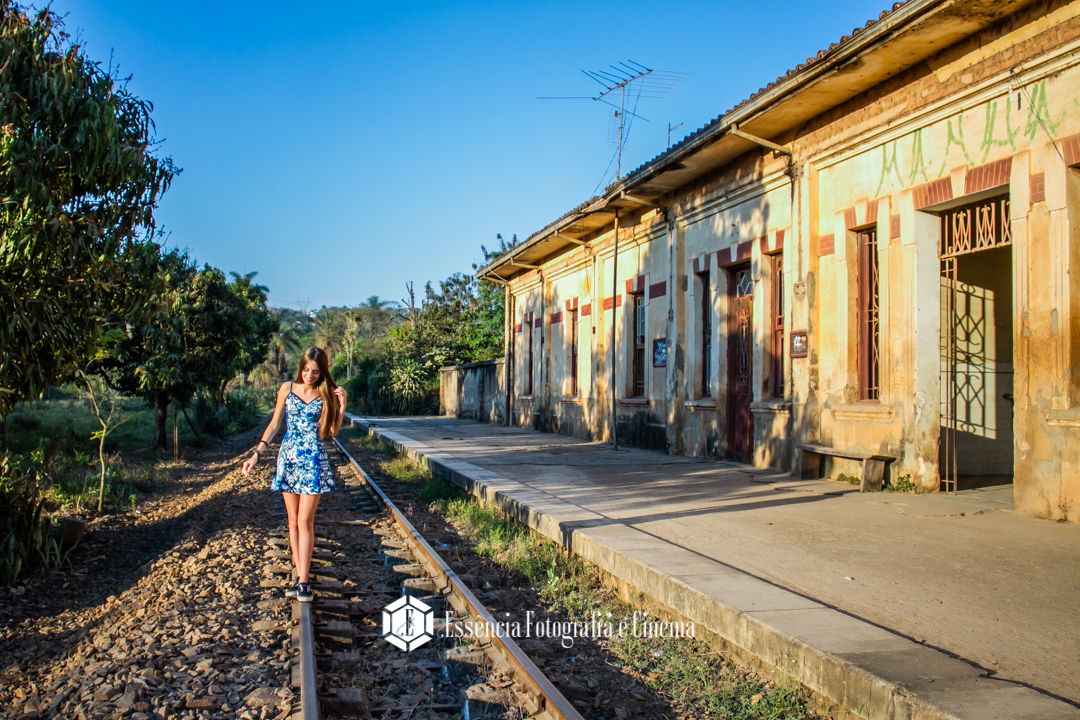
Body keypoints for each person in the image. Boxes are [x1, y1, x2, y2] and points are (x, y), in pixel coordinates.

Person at [242, 347, 347, 602]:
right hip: (288, 458)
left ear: (322, 372)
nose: (309, 375)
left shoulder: (325, 394)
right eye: (306, 370)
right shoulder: (287, 388)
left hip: (313, 460)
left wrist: (342, 406)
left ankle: (303, 582)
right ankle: (299, 577)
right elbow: (275, 424)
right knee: (292, 521)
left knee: (305, 521)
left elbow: (331, 432)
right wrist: (257, 454)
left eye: (315, 371)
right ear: (301, 367)